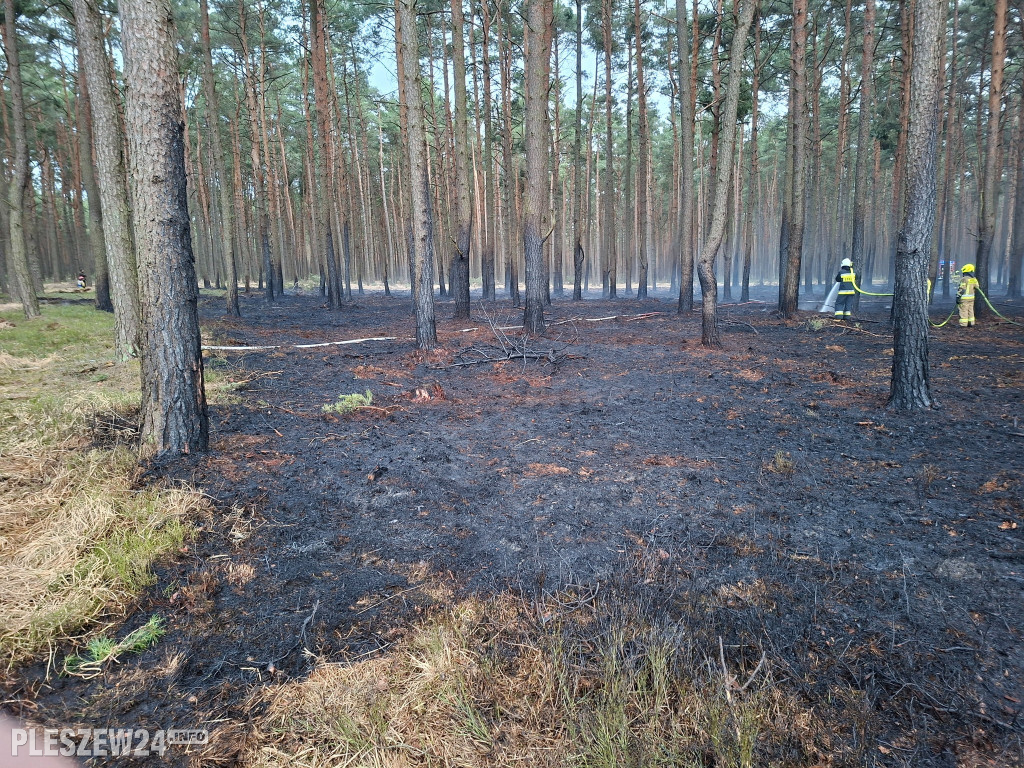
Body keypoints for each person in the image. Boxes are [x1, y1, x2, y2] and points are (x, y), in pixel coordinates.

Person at [956, 263, 979, 328]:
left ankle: (963, 324)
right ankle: (971, 323)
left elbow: (962, 288)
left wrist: (958, 297)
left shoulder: (964, 279)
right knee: (970, 310)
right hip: (971, 298)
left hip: (964, 299)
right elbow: (977, 287)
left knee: (963, 310)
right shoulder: (973, 279)